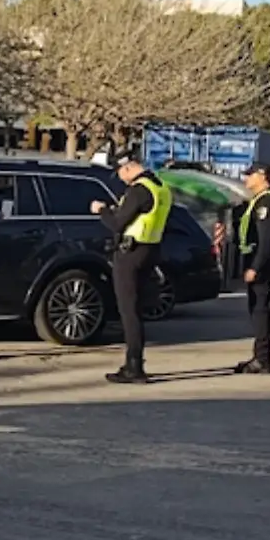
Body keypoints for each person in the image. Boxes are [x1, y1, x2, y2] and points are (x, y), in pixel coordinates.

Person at [90, 148, 173, 384]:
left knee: (129, 312)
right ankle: (134, 363)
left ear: (128, 167)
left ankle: (134, 366)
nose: (121, 178)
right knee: (136, 310)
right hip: (150, 250)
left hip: (131, 253)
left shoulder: (139, 190)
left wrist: (101, 210)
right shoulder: (161, 187)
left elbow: (117, 223)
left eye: (120, 173)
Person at [236, 164, 270, 374]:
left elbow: (265, 240)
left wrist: (255, 267)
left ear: (262, 176)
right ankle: (259, 356)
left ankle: (263, 359)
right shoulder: (258, 200)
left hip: (262, 260)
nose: (246, 179)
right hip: (257, 258)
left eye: (250, 175)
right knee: (255, 309)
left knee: (260, 310)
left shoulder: (267, 202)